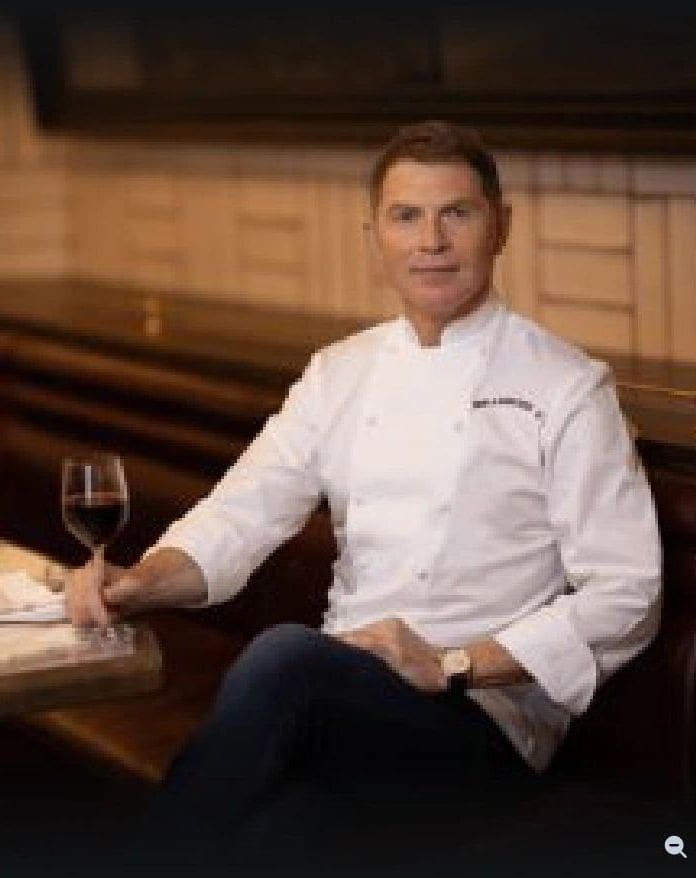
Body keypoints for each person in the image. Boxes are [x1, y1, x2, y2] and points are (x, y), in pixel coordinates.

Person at [67, 120, 661, 874]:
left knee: (284, 657)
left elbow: (629, 592)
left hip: (480, 724)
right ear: (373, 237)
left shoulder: (567, 387)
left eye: (458, 213)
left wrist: (451, 666)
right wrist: (138, 583)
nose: (431, 241)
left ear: (501, 226)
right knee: (273, 838)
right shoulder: (338, 373)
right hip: (346, 706)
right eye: (406, 216)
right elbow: (242, 511)